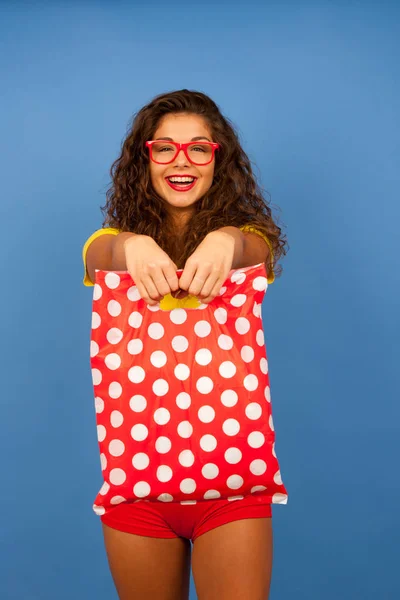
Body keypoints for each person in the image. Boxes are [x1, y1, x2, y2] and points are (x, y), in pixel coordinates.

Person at [82, 89, 288, 600]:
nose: (182, 160)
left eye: (199, 148)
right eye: (165, 148)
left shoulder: (249, 240)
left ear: (219, 161)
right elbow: (97, 254)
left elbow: (254, 248)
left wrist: (226, 239)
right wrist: (129, 243)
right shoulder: (112, 244)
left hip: (234, 489)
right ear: (145, 159)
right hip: (136, 494)